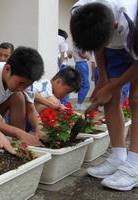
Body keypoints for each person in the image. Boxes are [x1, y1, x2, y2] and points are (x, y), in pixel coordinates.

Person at [70, 0, 138, 191]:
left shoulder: (130, 18)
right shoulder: (80, 12)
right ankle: (118, 157)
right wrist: (103, 80)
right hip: (115, 44)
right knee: (110, 99)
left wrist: (112, 87)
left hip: (134, 37)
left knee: (135, 98)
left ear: (114, 26)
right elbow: (98, 45)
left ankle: (135, 165)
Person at [0, 46, 45, 146]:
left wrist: (39, 128)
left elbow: (31, 110)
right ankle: (20, 136)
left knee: (18, 95)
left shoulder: (24, 81)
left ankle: (19, 144)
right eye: (21, 83)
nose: (22, 88)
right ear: (8, 69)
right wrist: (19, 133)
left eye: (27, 85)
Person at [73, 45, 90, 111]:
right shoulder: (79, 42)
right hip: (82, 63)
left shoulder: (76, 42)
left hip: (80, 64)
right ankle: (79, 104)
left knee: (82, 84)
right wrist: (88, 56)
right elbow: (82, 54)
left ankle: (79, 103)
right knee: (86, 85)